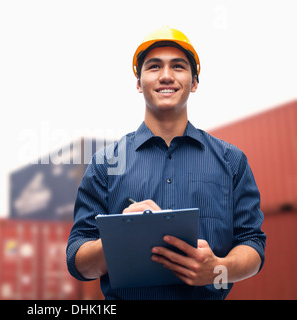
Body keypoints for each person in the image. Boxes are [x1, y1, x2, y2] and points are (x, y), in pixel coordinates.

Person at [66, 26, 266, 300]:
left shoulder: (232, 161)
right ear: (138, 82)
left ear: (194, 82)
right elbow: (78, 261)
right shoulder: (105, 164)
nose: (166, 76)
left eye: (178, 66)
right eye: (154, 67)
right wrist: (119, 236)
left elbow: (252, 244)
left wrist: (218, 269)